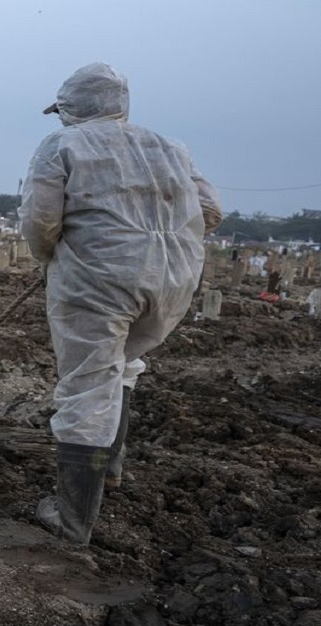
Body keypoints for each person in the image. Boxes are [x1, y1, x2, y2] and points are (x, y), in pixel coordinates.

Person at [20, 63, 222, 545]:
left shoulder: (62, 144)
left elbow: (40, 219)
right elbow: (210, 211)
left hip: (99, 279)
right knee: (123, 365)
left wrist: (52, 258)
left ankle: (71, 521)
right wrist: (161, 243)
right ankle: (109, 468)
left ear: (70, 107)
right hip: (172, 278)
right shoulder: (171, 147)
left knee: (88, 383)